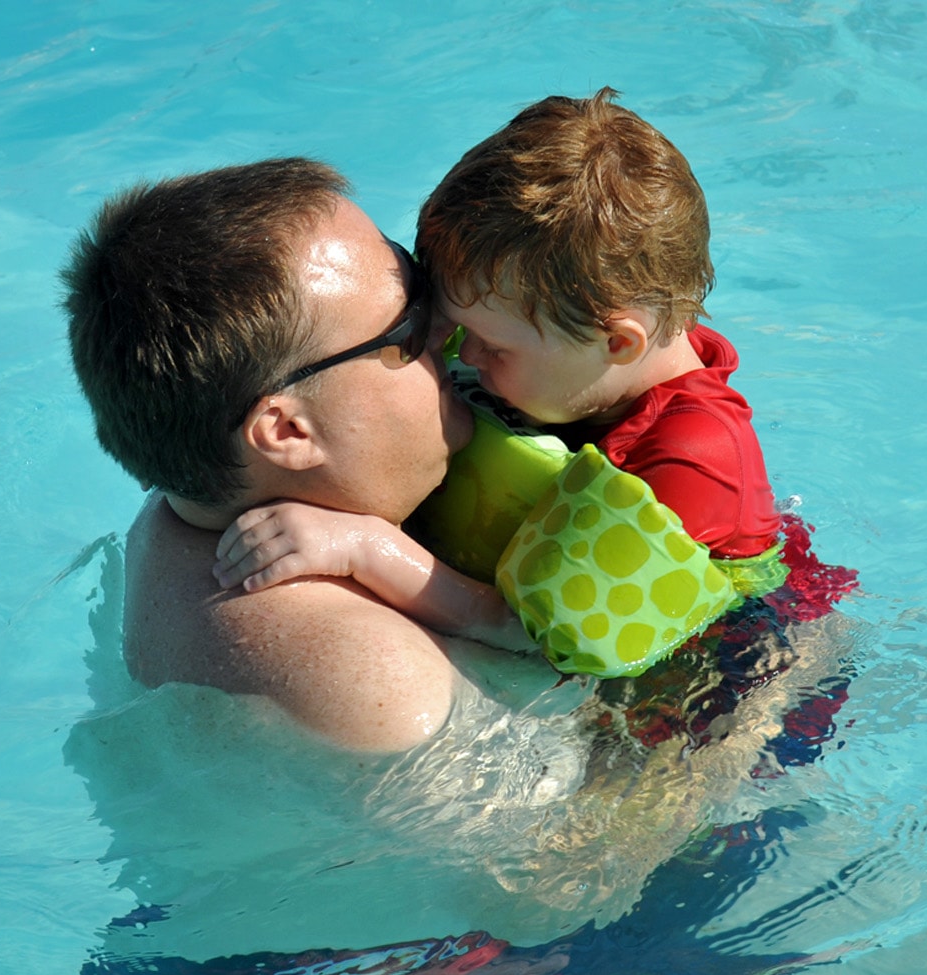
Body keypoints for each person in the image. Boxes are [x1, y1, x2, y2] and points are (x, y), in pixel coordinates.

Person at [214, 90, 787, 653]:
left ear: (616, 341)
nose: (461, 356)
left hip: (732, 669)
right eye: (453, 327)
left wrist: (365, 548)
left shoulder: (691, 461)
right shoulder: (571, 355)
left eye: (489, 344)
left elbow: (536, 631)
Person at [62, 158, 515, 752]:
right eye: (407, 330)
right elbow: (583, 837)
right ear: (287, 432)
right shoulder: (378, 683)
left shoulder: (177, 513)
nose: (447, 330)